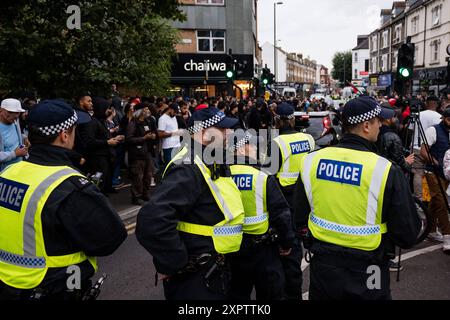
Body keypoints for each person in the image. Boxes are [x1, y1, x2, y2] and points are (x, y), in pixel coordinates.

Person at [294, 96, 421, 300]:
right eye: (379, 120)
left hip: (324, 267)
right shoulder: (385, 169)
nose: (381, 125)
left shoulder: (312, 161)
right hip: (370, 267)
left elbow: (299, 217)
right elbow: (407, 234)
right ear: (366, 126)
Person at [0, 99, 127, 300]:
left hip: (7, 284)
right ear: (64, 135)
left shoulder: (8, 173)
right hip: (59, 286)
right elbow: (110, 239)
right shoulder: (68, 185)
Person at [136, 107, 245, 300]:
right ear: (203, 134)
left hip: (214, 268)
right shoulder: (188, 167)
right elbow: (152, 220)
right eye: (222, 129)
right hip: (196, 277)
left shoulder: (209, 158)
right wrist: (176, 263)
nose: (229, 133)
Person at [228, 130, 294, 300]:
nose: (257, 149)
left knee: (236, 294)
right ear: (241, 149)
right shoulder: (261, 176)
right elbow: (281, 214)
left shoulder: (221, 175)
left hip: (232, 249)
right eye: (253, 146)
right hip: (263, 250)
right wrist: (287, 242)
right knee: (271, 294)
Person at [271, 102, 315, 300]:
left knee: (288, 250)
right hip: (305, 196)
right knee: (299, 242)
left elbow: (269, 176)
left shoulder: (276, 143)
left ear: (278, 120)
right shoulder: (308, 138)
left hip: (284, 198)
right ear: (293, 119)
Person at [421, 108, 450, 252]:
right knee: (442, 201)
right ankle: (447, 236)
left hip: (446, 173)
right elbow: (423, 151)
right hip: (432, 171)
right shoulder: (433, 130)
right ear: (444, 118)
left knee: (436, 201)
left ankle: (430, 229)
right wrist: (435, 161)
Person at [409, 96, 442, 202]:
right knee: (431, 174)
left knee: (417, 173)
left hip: (416, 147)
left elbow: (410, 130)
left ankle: (419, 199)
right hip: (431, 148)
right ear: (436, 104)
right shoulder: (439, 117)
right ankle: (433, 197)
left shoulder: (418, 115)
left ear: (426, 103)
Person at [126, 102, 157, 205]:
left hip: (147, 152)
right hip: (137, 154)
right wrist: (143, 138)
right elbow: (129, 139)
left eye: (148, 109)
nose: (147, 111)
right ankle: (136, 197)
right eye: (145, 109)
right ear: (139, 111)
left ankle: (145, 194)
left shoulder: (148, 121)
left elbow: (152, 132)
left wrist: (152, 136)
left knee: (148, 175)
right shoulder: (133, 123)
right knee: (137, 176)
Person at [0, 98, 28, 170]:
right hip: (4, 173)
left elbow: (14, 134)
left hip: (19, 167)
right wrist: (15, 154)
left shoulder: (15, 121)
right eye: (10, 112)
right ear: (1, 110)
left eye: (17, 112)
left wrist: (24, 137)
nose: (15, 115)